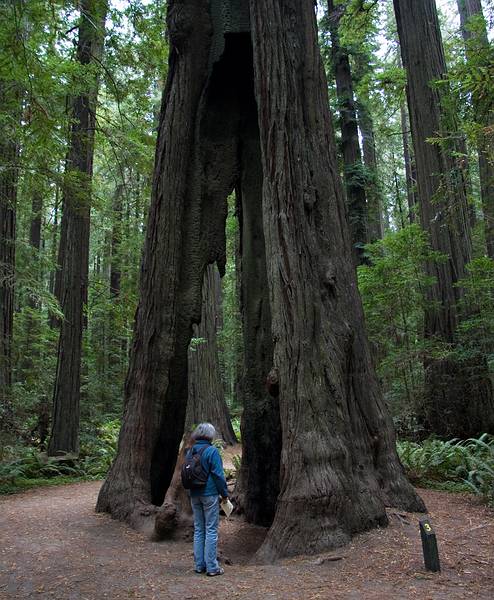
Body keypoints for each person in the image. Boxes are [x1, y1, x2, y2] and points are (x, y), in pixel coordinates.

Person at [188, 422, 229, 576]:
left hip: (194, 494)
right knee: (211, 530)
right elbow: (218, 475)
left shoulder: (190, 451)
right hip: (209, 493)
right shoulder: (212, 451)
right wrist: (224, 494)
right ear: (211, 435)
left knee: (199, 529)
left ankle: (199, 565)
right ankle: (212, 567)